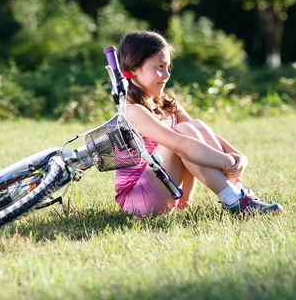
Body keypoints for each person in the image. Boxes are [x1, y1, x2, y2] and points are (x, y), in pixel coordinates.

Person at [114, 31, 283, 217]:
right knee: (183, 132)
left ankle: (237, 194)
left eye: (168, 67)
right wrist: (226, 161)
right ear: (134, 69)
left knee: (196, 125)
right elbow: (180, 144)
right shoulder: (132, 111)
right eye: (159, 67)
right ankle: (235, 200)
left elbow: (198, 133)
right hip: (139, 199)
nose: (166, 74)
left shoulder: (164, 103)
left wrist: (238, 157)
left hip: (167, 189)